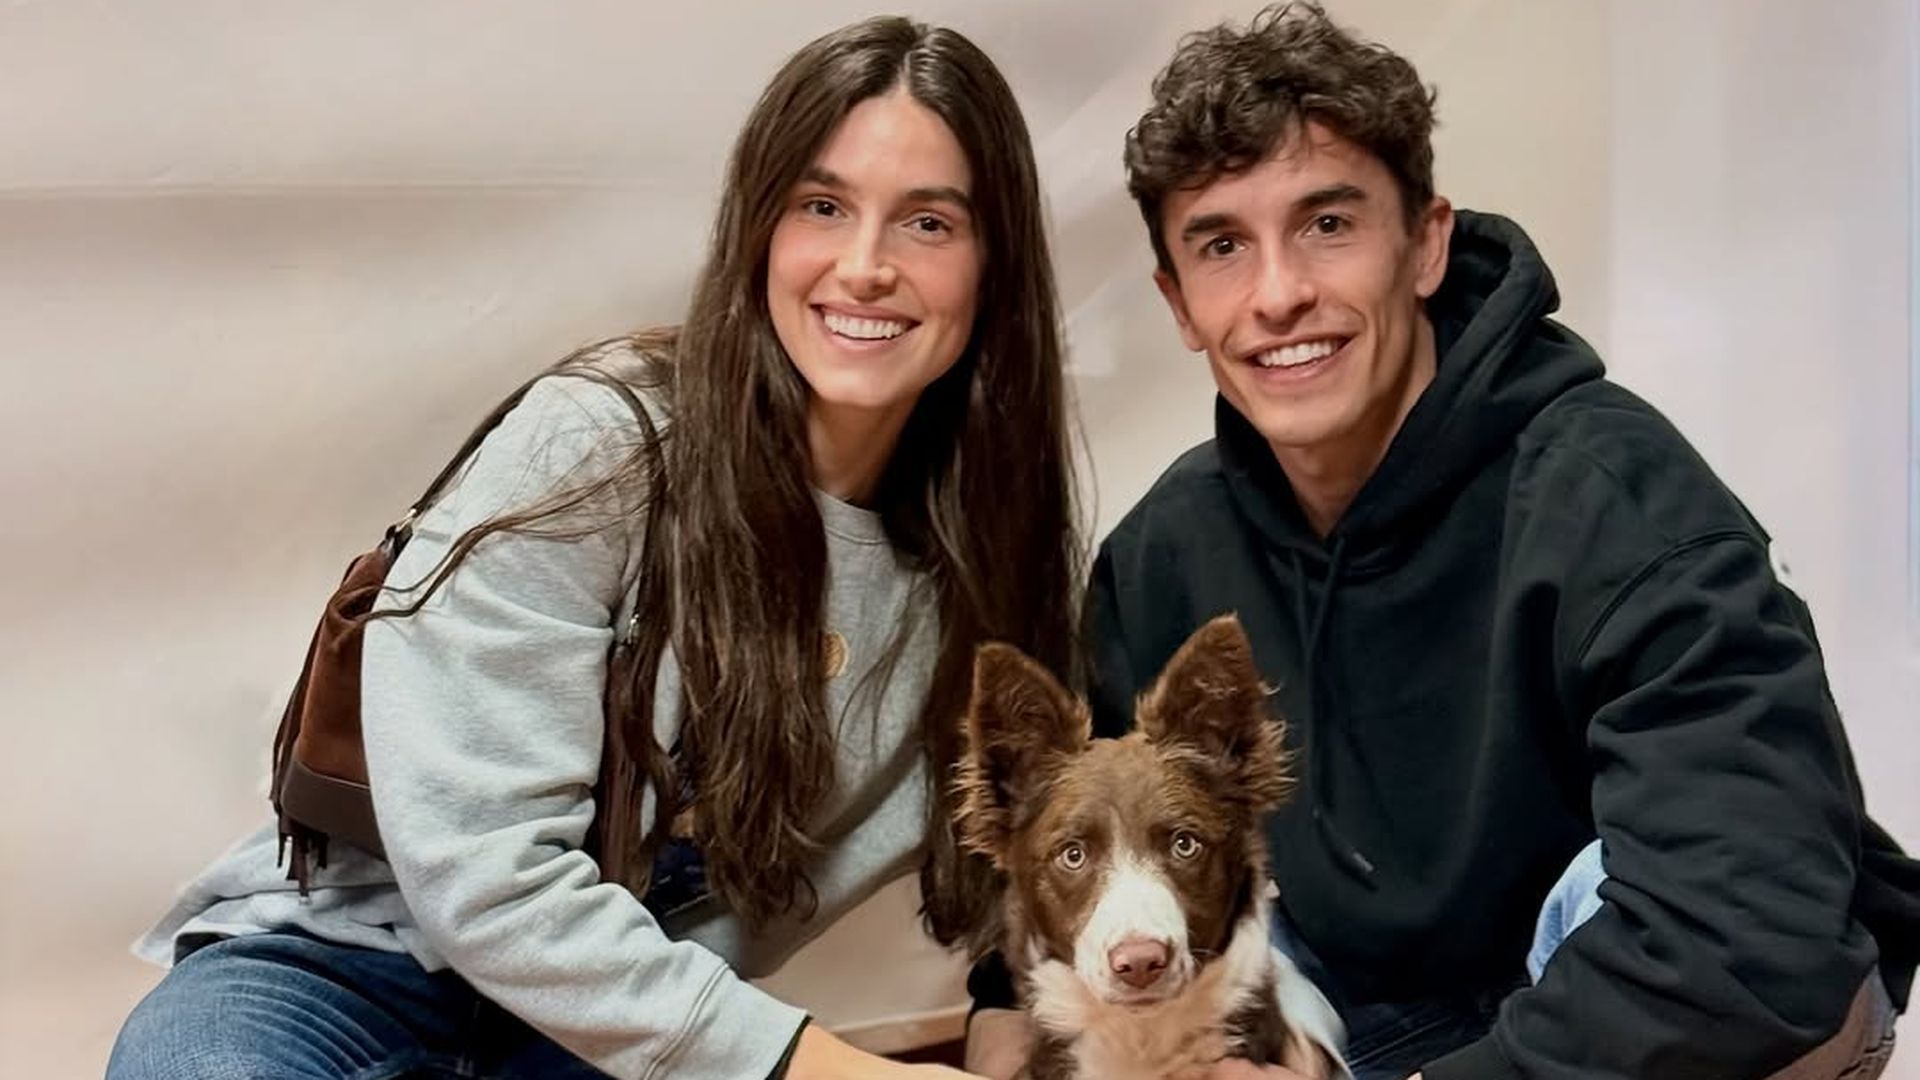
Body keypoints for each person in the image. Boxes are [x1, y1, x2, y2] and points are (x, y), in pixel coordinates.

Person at [109, 15, 1080, 1080]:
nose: (865, 266)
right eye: (822, 206)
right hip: (349, 972)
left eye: (928, 223)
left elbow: (1049, 829)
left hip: (612, 1035)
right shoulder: (603, 445)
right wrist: (838, 1073)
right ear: (758, 228)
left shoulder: (980, 562)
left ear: (992, 264)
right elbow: (489, 882)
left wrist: (1007, 1015)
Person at [968, 4, 1915, 1079]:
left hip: (1707, 1000)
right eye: (1223, 246)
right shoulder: (1164, 555)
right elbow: (1072, 829)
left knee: (1626, 895)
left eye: (1328, 224)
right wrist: (1002, 1020)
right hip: (1399, 1013)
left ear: (1425, 244)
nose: (1279, 294)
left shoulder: (1622, 502)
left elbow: (1752, 936)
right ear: (1179, 302)